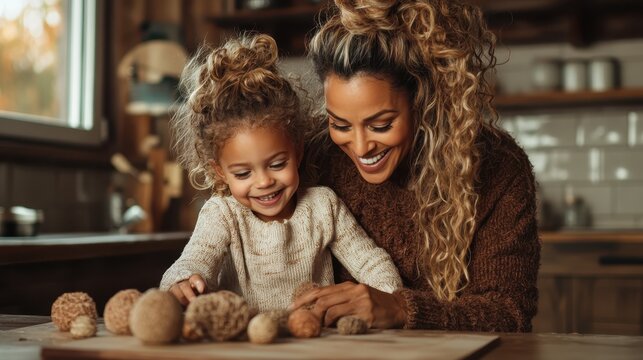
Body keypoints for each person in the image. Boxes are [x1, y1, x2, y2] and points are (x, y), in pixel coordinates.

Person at [291, 0, 540, 332]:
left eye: (380, 125)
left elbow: (509, 314)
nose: (361, 147)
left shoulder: (498, 169)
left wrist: (401, 309)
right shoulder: (316, 156)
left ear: (423, 101)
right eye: (341, 124)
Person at [159, 33, 403, 312]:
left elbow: (370, 262)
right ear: (220, 172)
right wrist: (182, 282)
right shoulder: (223, 215)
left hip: (313, 344)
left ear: (298, 150)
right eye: (242, 174)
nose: (264, 182)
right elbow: (192, 262)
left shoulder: (323, 206)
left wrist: (391, 300)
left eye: (277, 164)